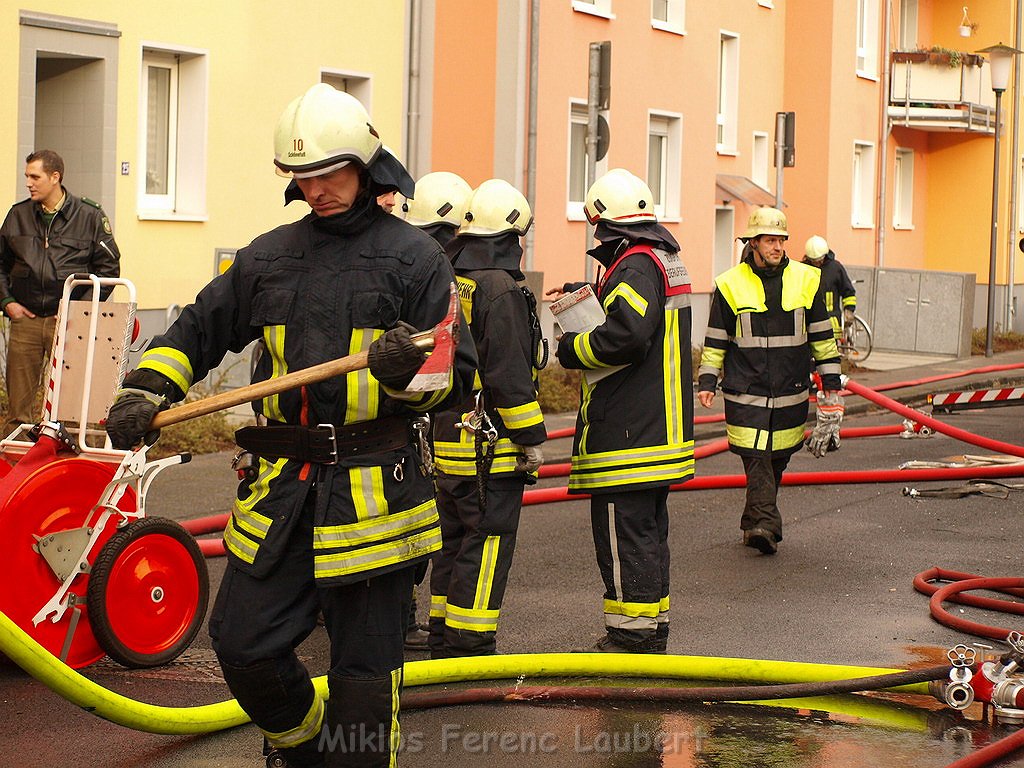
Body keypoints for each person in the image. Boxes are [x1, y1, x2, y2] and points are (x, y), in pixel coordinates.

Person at [105, 83, 476, 768]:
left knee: (365, 677)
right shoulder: (269, 256)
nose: (317, 191)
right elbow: (195, 331)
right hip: (282, 492)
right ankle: (305, 747)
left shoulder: (416, 261)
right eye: (303, 179)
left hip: (374, 495)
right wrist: (147, 389)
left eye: (329, 174)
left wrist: (402, 372)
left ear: (367, 167)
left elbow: (452, 379)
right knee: (243, 644)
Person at [554, 168, 694, 654]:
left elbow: (627, 335)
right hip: (658, 427)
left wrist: (572, 349)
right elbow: (636, 314)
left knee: (622, 535)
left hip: (630, 433)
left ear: (609, 226)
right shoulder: (660, 258)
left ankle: (629, 635)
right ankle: (652, 624)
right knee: (648, 533)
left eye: (599, 232)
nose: (598, 239)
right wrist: (589, 292)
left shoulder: (634, 265)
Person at [429, 178, 546, 658]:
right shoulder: (500, 289)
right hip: (489, 445)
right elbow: (509, 373)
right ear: (509, 238)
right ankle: (470, 641)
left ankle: (441, 632)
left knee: (453, 539)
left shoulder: (450, 280)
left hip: (445, 437)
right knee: (488, 539)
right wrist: (531, 438)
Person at [697, 207, 844, 557]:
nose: (777, 246)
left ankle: (753, 521)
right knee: (756, 456)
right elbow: (716, 337)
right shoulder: (730, 284)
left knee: (778, 458)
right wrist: (706, 379)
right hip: (745, 392)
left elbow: (823, 340)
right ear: (753, 243)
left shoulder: (808, 280)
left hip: (791, 393)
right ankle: (765, 524)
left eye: (780, 240)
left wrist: (831, 387)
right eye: (769, 240)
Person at [399, 170, 475, 652]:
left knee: (419, 523)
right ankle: (399, 619)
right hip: (419, 422)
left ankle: (402, 617)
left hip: (417, 421)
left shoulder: (407, 260)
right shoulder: (432, 272)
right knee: (414, 523)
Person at [0, 149, 120, 433]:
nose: (28, 182)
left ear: (55, 177)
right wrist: (7, 302)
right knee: (19, 410)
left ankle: (68, 465)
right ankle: (21, 466)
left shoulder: (89, 215)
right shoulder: (17, 215)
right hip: (25, 321)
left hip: (69, 323)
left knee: (69, 404)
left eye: (34, 176)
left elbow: (108, 271)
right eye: (26, 176)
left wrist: (77, 310)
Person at [803, 235, 856, 341]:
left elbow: (848, 291)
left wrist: (849, 310)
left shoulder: (836, 268)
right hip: (808, 323)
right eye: (813, 261)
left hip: (831, 324)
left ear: (825, 255)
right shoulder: (803, 269)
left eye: (819, 260)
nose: (817, 264)